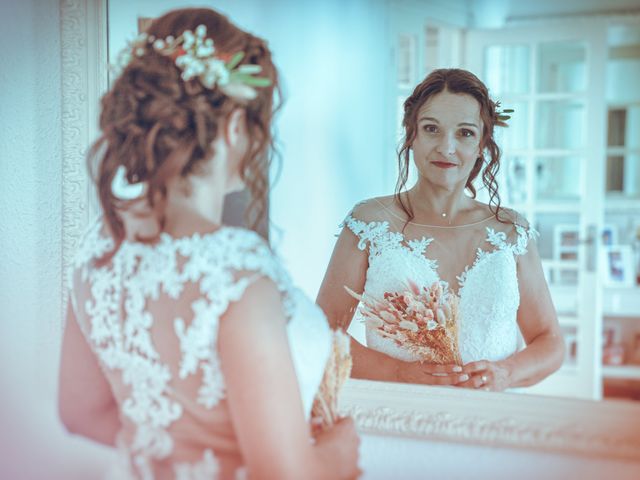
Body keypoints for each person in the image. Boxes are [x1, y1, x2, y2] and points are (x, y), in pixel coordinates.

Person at [58, 8, 360, 480]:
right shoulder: (236, 273)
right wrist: (339, 454)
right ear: (236, 125)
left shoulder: (102, 247)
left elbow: (80, 413)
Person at [317, 68, 564, 392]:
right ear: (412, 136)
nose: (447, 148)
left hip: (492, 423)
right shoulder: (369, 223)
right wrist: (398, 373)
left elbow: (550, 342)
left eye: (464, 133)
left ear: (482, 144)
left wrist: (505, 373)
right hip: (394, 416)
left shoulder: (510, 232)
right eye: (432, 129)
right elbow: (320, 332)